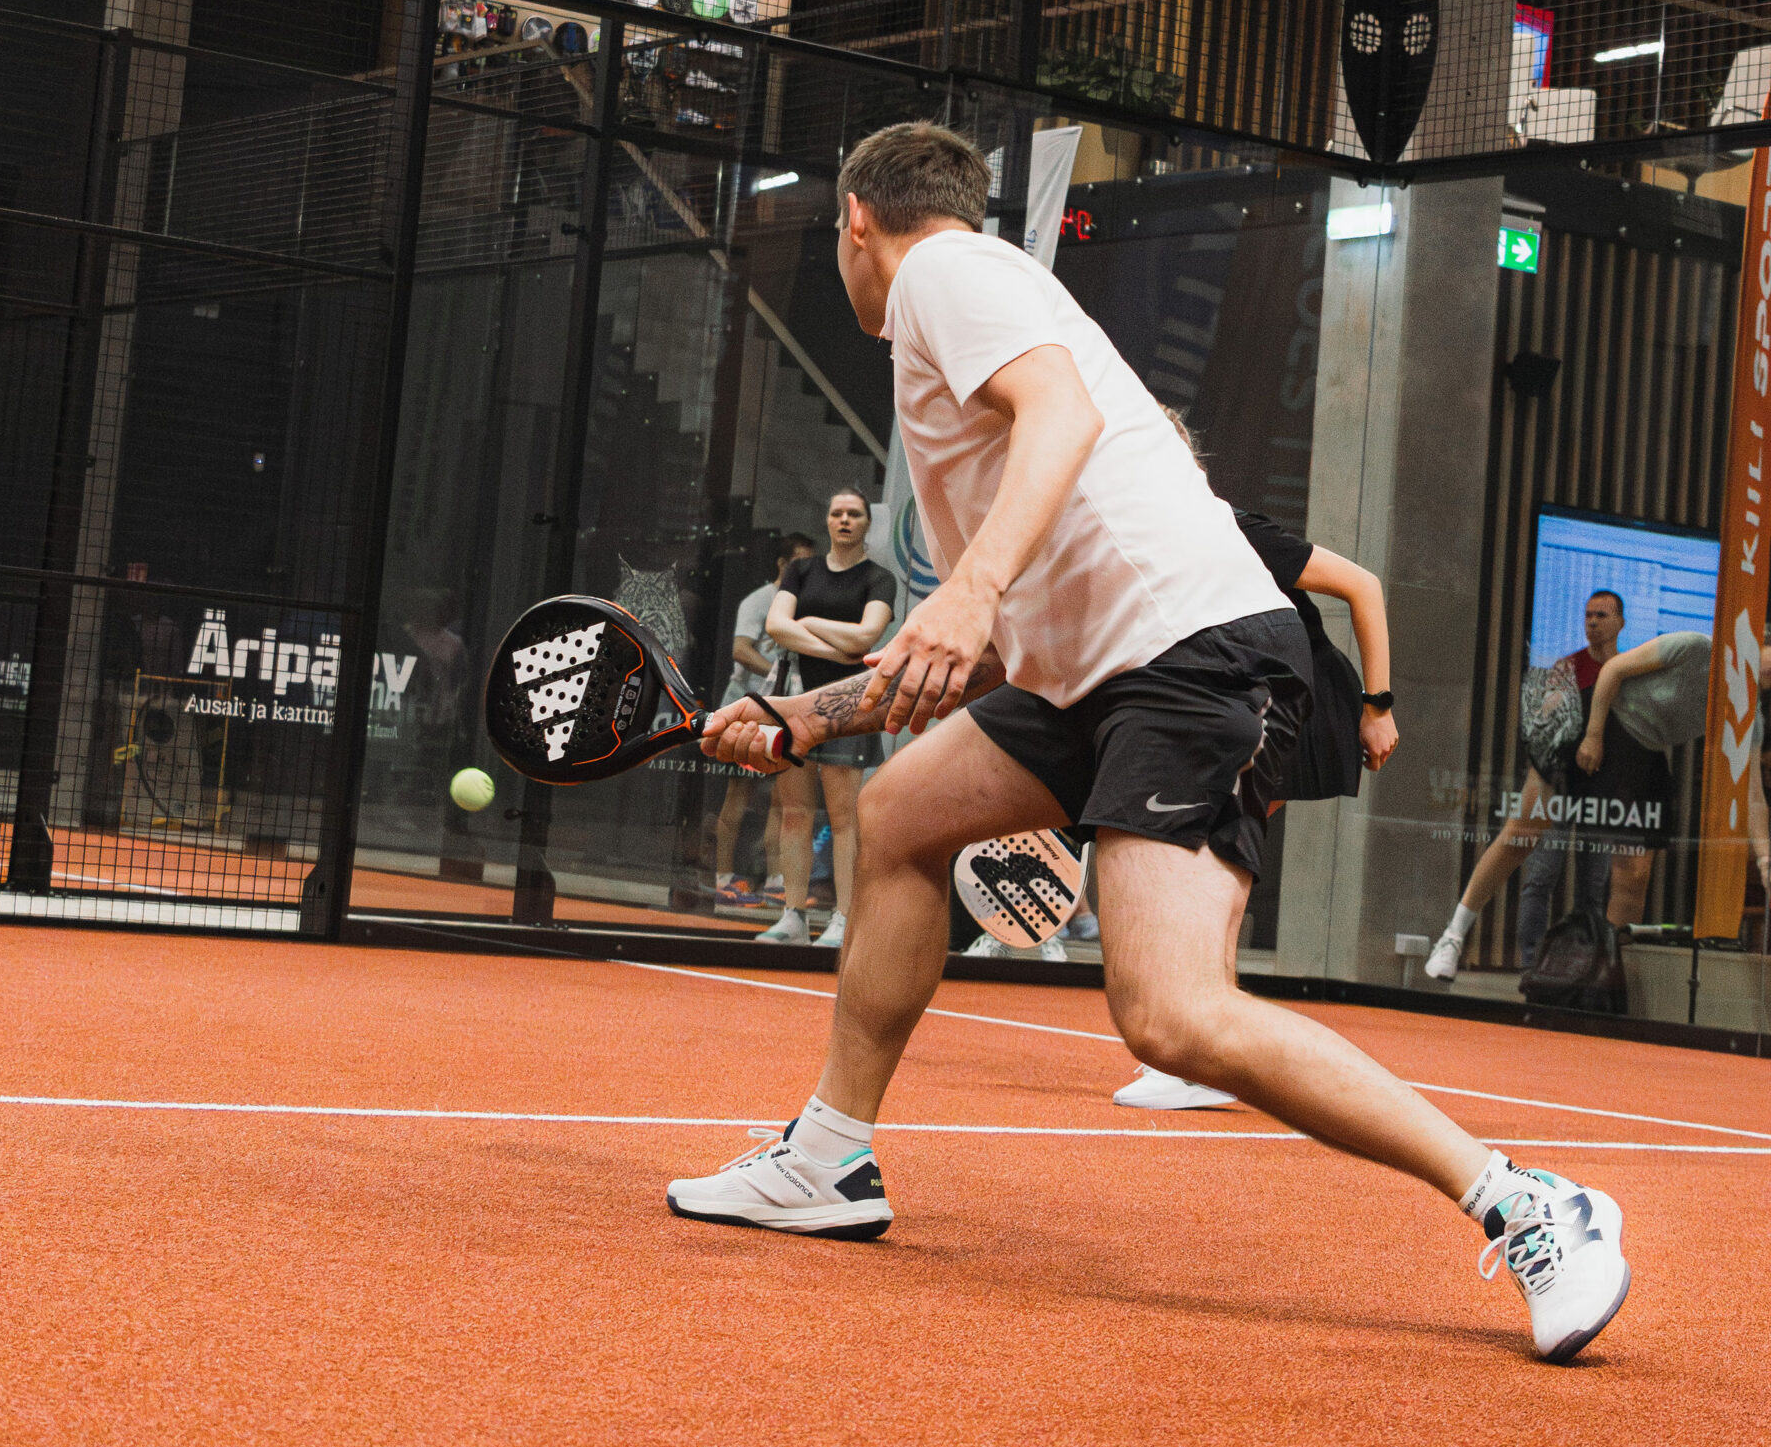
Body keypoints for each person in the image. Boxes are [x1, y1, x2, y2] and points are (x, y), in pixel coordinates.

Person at [671, 119, 1629, 1366]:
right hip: (1096, 676)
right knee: (900, 816)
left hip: (1190, 659)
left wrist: (970, 589)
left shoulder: (943, 273)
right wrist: (808, 715)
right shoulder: (965, 341)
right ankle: (828, 1159)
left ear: (858, 218)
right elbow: (1002, 649)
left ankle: (1527, 1200)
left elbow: (1059, 416)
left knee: (1172, 1017)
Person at [1116, 455, 1402, 1111]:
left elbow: (1363, 585)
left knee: (1215, 854)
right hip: (1246, 703)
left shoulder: (1234, 529)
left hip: (1300, 700)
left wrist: (1378, 705)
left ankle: (1202, 1053)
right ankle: (1203, 1047)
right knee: (1212, 853)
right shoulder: (1155, 544)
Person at [1425, 590, 1626, 983]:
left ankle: (1587, 971)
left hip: (1603, 784)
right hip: (1558, 771)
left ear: (1620, 622)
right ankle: (1459, 939)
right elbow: (1543, 725)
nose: (1593, 622)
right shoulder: (1568, 667)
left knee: (1594, 886)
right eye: (1588, 615)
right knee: (1527, 856)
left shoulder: (1629, 668)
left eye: (1602, 615)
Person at [753, 489, 895, 950]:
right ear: (828, 520)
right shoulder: (801, 570)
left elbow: (868, 636)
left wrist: (808, 623)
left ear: (867, 523)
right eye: (837, 513)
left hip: (848, 706)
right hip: (795, 701)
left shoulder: (878, 578)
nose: (845, 520)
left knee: (844, 818)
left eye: (854, 514)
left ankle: (843, 918)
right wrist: (839, 649)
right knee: (794, 812)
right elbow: (776, 626)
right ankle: (793, 915)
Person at [1572, 626, 1771, 916]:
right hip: (1606, 722)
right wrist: (1593, 735)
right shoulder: (1696, 647)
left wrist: (1765, 860)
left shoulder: (1749, 715)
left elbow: (1752, 795)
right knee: (1623, 868)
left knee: (1638, 874)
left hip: (1646, 750)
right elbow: (1612, 669)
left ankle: (1615, 941)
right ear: (1759, 644)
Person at [714, 533, 815, 907]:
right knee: (738, 793)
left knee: (781, 798)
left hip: (782, 713)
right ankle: (723, 877)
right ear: (781, 563)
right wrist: (779, 676)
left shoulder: (806, 606)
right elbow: (741, 650)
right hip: (745, 709)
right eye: (799, 562)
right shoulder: (759, 601)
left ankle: (776, 880)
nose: (805, 570)